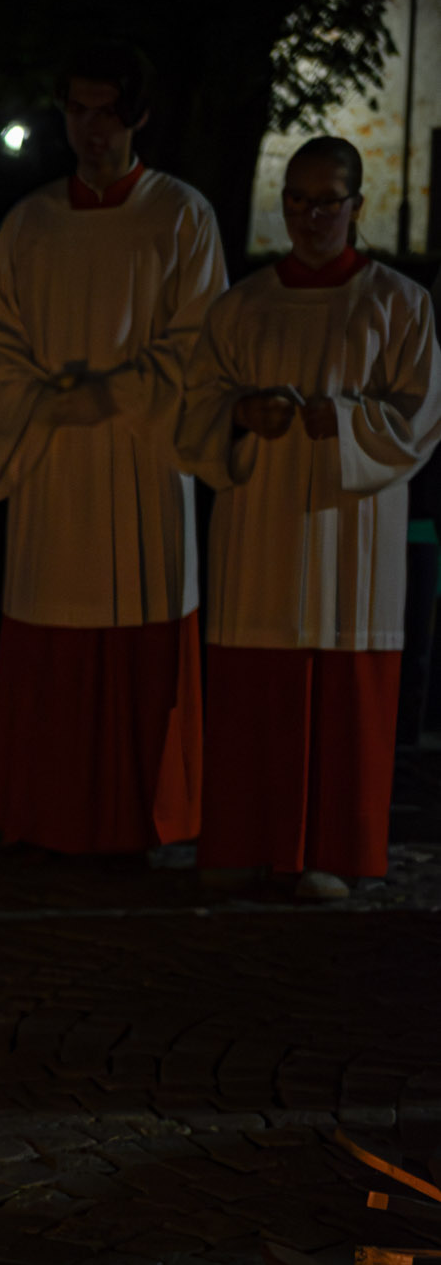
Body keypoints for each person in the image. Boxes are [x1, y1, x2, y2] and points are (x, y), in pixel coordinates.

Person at [0, 41, 226, 861]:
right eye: (77, 109)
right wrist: (45, 402)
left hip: (144, 460)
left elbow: (203, 342)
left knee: (140, 628)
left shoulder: (182, 216)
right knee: (53, 631)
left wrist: (114, 392)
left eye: (107, 110)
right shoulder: (31, 222)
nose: (91, 128)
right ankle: (44, 813)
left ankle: (134, 816)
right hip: (52, 459)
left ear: (138, 114)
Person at [178, 137, 441, 899]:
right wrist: (239, 414)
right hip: (259, 527)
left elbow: (421, 419)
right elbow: (195, 407)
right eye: (297, 200)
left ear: (358, 206)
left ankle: (332, 847)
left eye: (328, 201)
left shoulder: (399, 303)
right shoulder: (243, 305)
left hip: (349, 531)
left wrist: (348, 423)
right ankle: (244, 838)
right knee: (252, 683)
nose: (311, 216)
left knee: (341, 689)